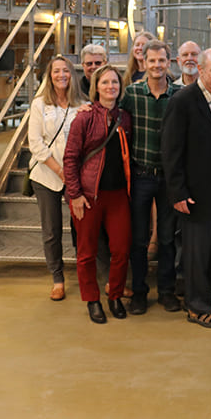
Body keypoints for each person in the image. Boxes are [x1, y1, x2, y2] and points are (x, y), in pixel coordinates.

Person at [161, 48, 211, 330]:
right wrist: (177, 192)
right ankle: (196, 307)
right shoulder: (183, 100)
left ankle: (204, 296)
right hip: (194, 191)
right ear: (200, 70)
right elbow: (171, 150)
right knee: (195, 250)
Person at [63, 64, 132, 324]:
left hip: (118, 196)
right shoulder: (84, 117)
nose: (110, 87)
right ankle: (92, 299)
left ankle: (114, 295)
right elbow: (70, 158)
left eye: (115, 82)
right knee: (87, 251)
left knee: (121, 249)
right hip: (89, 196)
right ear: (96, 87)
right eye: (105, 83)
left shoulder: (125, 117)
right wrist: (75, 194)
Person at [119, 40, 180, 315]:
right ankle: (140, 292)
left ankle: (167, 292)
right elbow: (108, 110)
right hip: (141, 176)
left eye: (162, 60)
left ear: (170, 62)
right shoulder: (131, 94)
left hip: (169, 178)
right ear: (143, 63)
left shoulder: (179, 95)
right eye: (152, 60)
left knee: (167, 238)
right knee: (139, 239)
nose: (157, 65)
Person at [28, 55, 85, 301]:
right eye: (56, 71)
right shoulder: (39, 104)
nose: (61, 75)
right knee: (51, 231)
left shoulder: (82, 104)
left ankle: (86, 274)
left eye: (66, 71)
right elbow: (35, 144)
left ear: (72, 75)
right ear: (49, 76)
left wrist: (72, 173)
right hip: (46, 177)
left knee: (81, 228)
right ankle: (58, 278)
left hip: (76, 176)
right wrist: (61, 171)